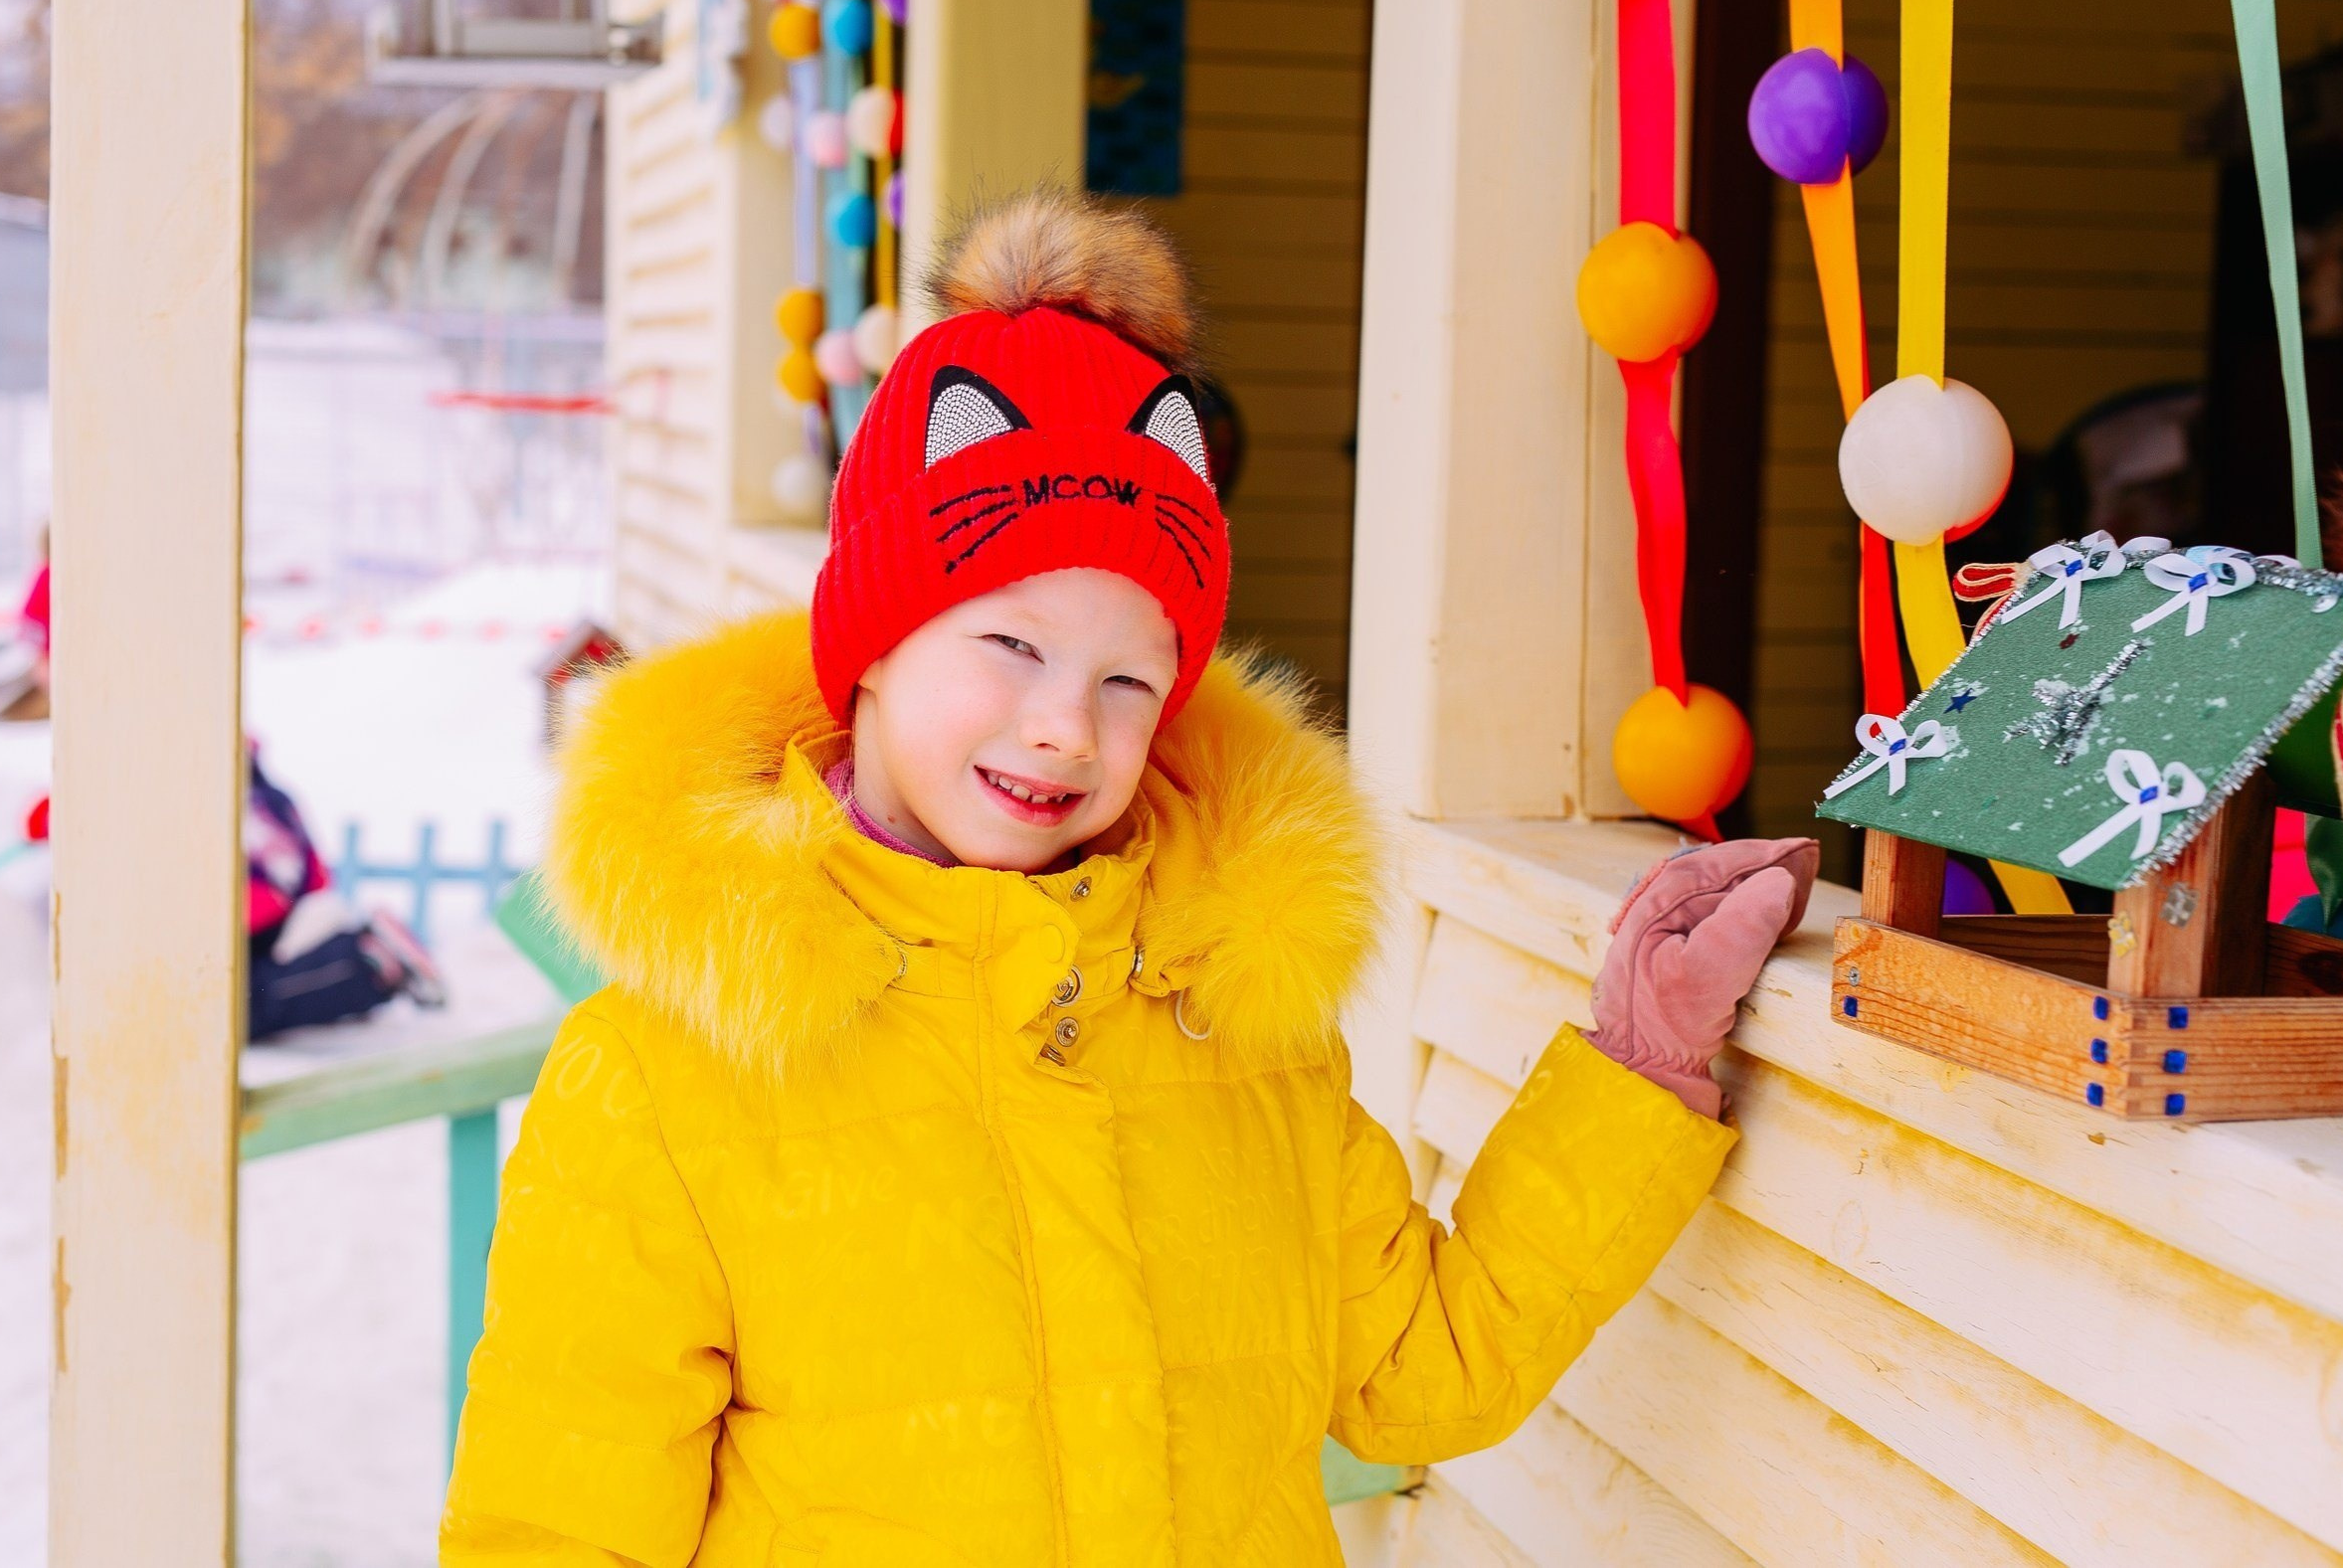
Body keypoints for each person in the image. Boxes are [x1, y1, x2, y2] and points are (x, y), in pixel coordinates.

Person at [440, 190, 1814, 1566]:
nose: (1064, 725)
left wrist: (1640, 1059)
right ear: (869, 640)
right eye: (1010, 644)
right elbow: (554, 1527)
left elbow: (1420, 1369)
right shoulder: (669, 1077)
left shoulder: (1231, 1016)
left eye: (1127, 677)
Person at [244, 744, 443, 1039]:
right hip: (296, 910)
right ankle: (362, 956)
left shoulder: (234, 806)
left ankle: (364, 959)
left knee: (252, 1005)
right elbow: (315, 870)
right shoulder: (275, 799)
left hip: (257, 921)